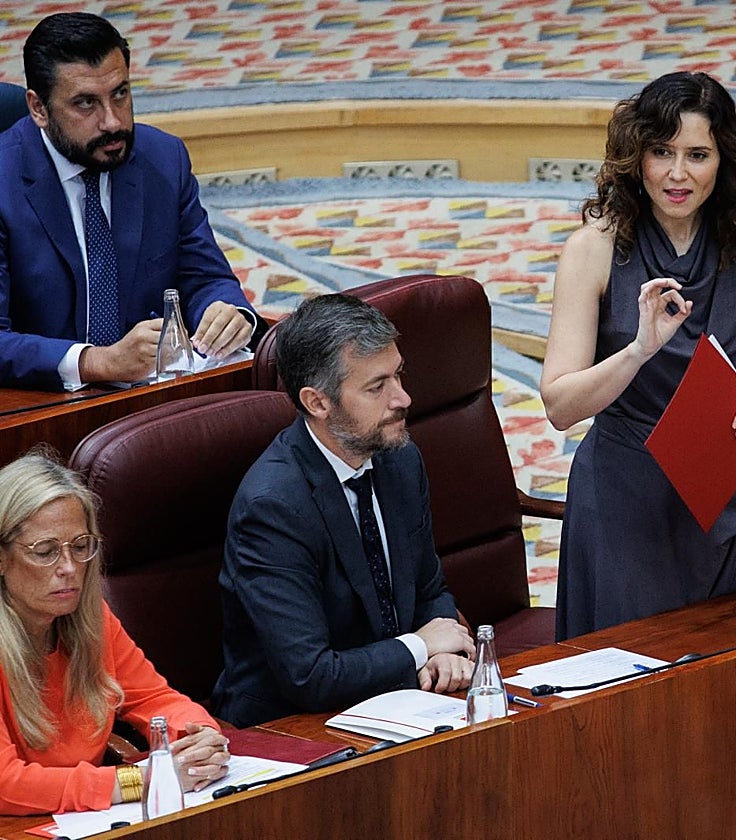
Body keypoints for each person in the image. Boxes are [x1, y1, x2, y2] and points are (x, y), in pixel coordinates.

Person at [542, 72, 736, 639]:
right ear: (636, 158)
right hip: (627, 504)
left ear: (724, 159)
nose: (677, 173)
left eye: (697, 154)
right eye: (661, 152)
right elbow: (560, 405)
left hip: (731, 491)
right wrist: (638, 350)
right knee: (631, 692)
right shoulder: (594, 248)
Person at [211, 293, 475, 728]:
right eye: (377, 387)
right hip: (295, 730)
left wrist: (441, 649)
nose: (403, 398)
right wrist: (418, 648)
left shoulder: (398, 458)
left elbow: (429, 589)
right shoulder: (273, 507)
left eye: (398, 376)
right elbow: (310, 675)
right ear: (317, 403)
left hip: (397, 701)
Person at [0, 12, 258, 391]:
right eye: (86, 104)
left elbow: (205, 277)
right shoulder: (5, 182)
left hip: (151, 396)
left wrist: (228, 312)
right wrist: (97, 361)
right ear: (39, 108)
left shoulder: (163, 158)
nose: (113, 122)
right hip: (41, 407)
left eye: (120, 94)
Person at [0, 451, 229, 816]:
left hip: (85, 820)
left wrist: (199, 736)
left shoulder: (91, 619)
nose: (69, 568)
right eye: (45, 552)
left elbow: (157, 700)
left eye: (80, 547)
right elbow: (6, 786)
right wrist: (137, 782)